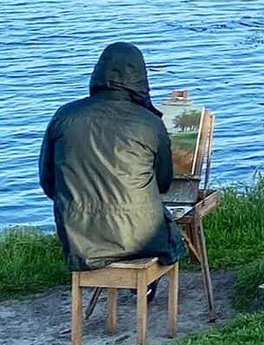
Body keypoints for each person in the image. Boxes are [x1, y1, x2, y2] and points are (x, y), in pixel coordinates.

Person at [39, 42, 185, 272]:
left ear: (98, 72)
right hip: (144, 239)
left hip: (82, 241)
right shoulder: (149, 122)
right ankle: (145, 286)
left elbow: (48, 182)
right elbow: (163, 183)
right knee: (167, 233)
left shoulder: (64, 116)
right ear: (140, 78)